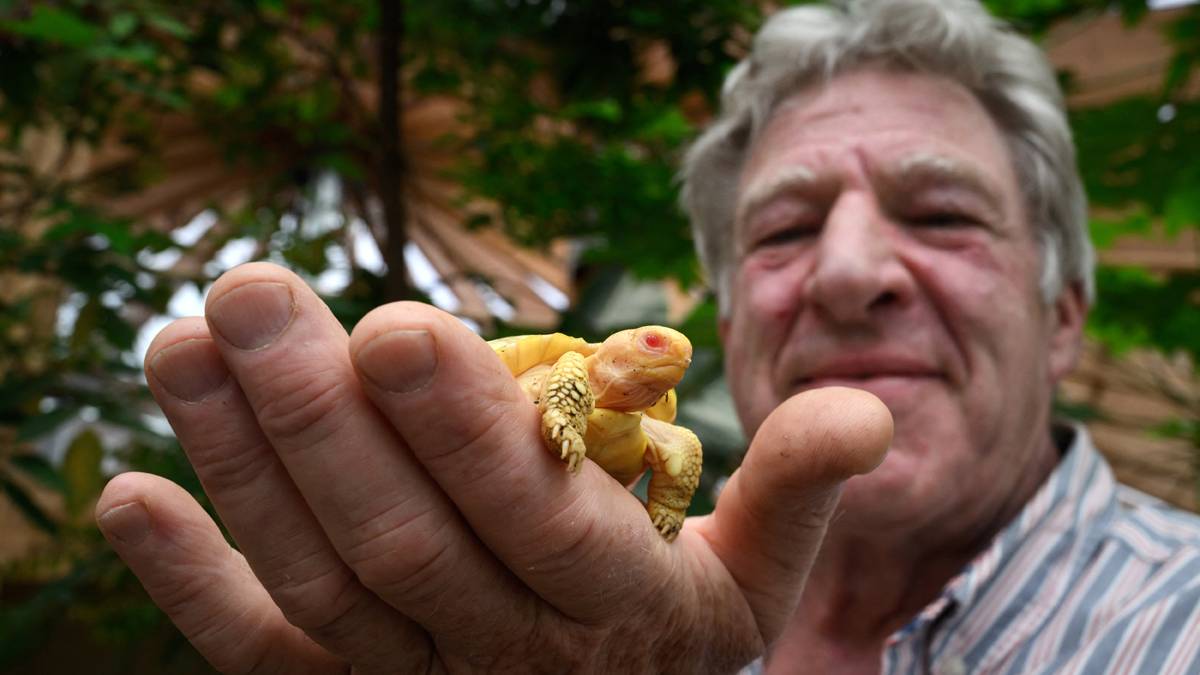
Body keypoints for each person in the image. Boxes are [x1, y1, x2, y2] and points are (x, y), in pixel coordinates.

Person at [95, 0, 1200, 672]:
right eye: (784, 228)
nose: (852, 274)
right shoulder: (602, 580)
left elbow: (670, 460)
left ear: (1064, 318)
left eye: (945, 214)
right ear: (731, 325)